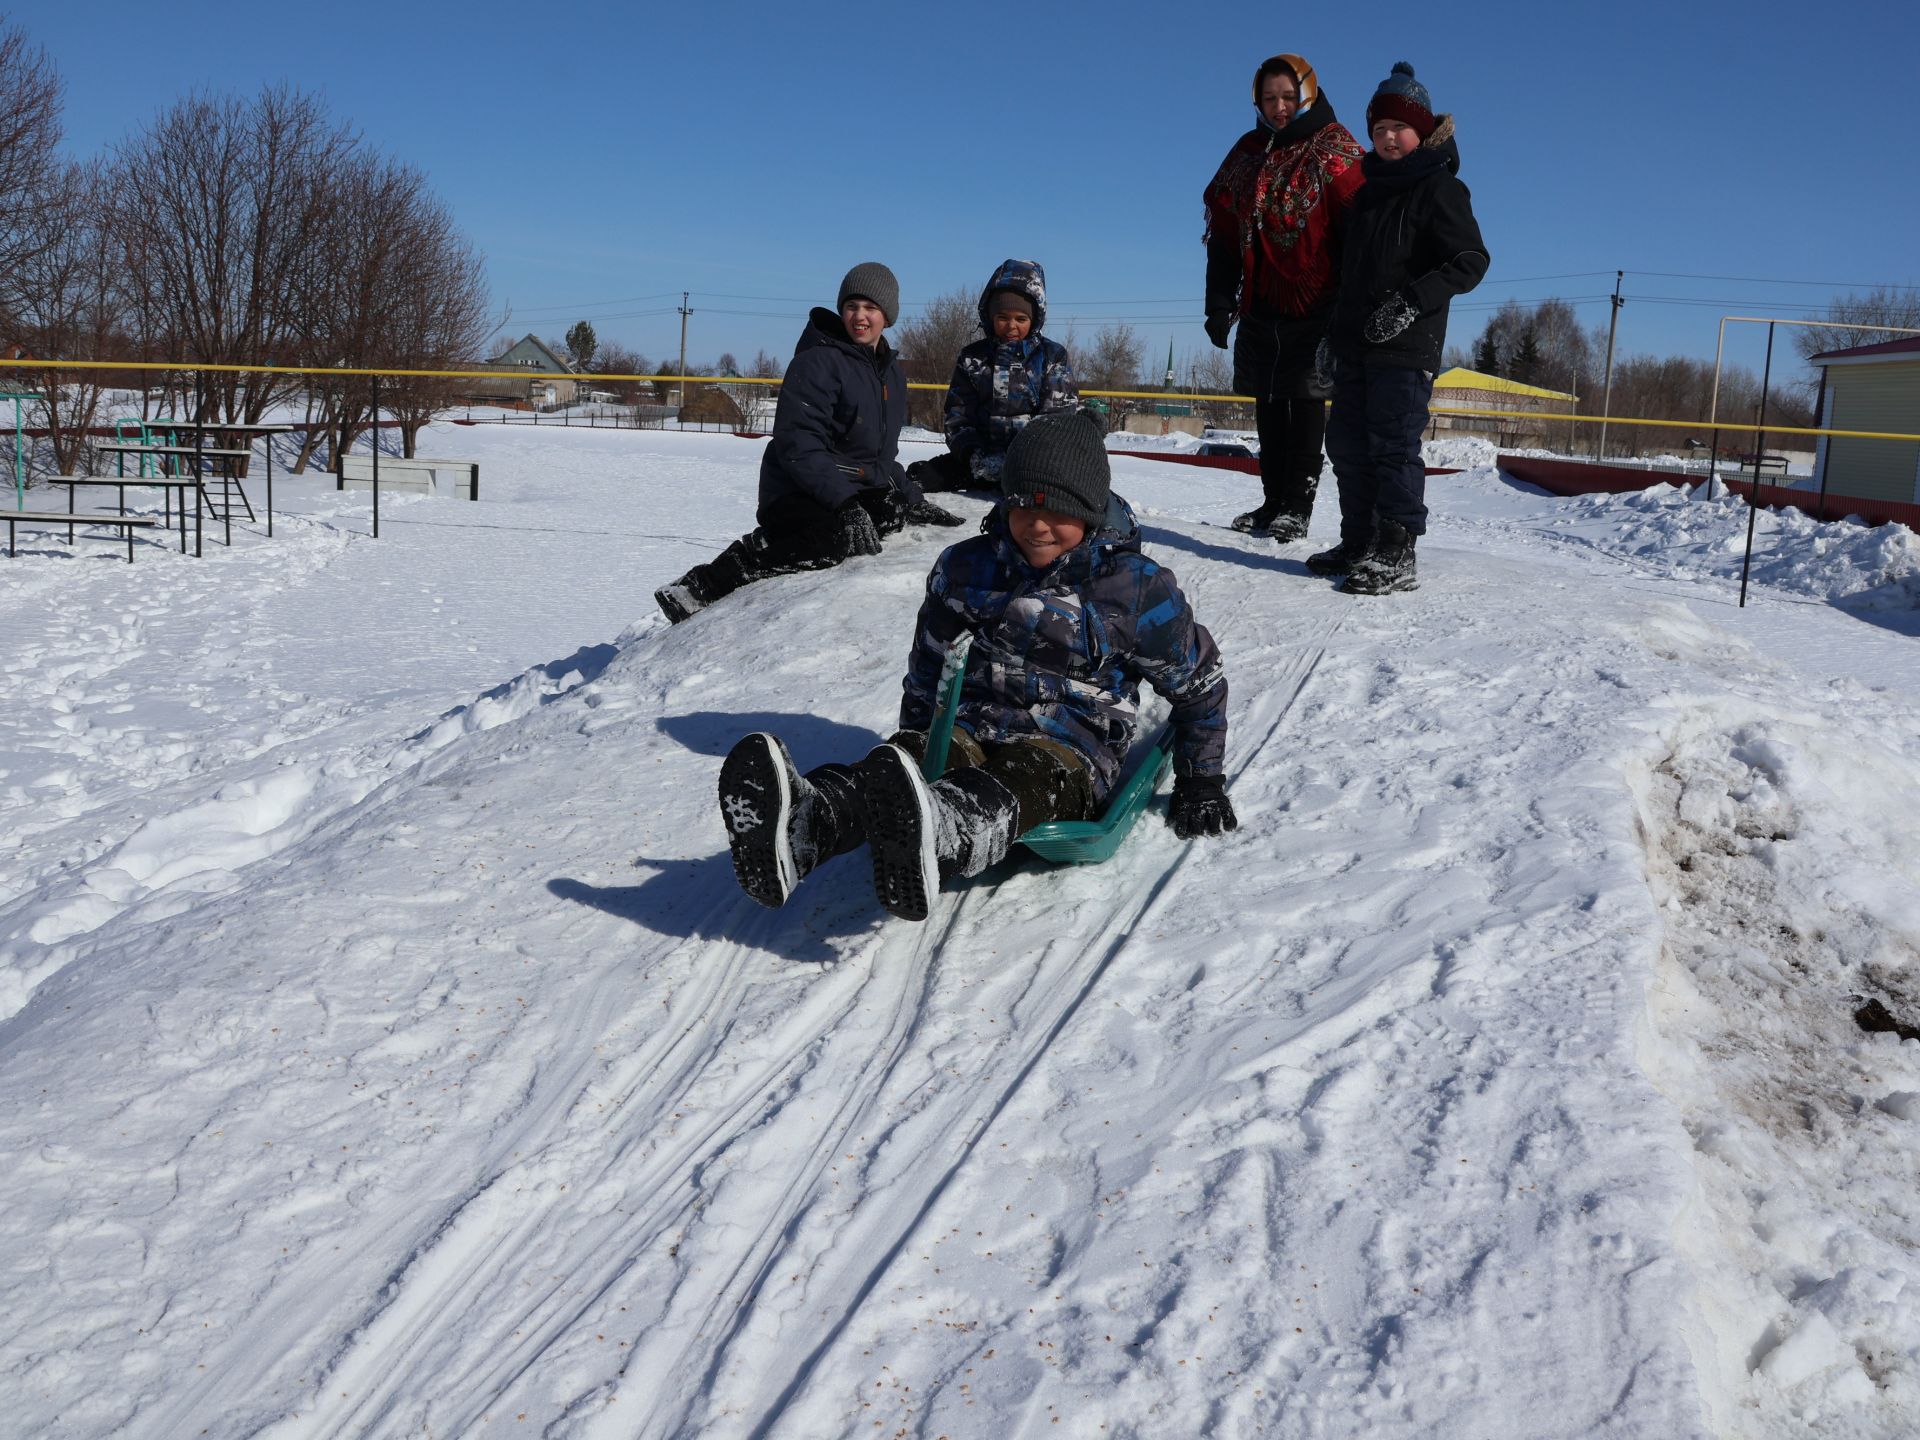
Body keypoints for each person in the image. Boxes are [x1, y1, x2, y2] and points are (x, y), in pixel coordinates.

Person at [716, 410, 1235, 923]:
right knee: (907, 760)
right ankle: (811, 821)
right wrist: (915, 743)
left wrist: (1201, 780)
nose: (1036, 525)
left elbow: (1199, 686)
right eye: (1022, 507)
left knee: (1024, 774)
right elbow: (929, 664)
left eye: (1057, 510)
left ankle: (942, 833)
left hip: (1072, 743)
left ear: (1091, 512)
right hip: (969, 721)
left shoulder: (1136, 589)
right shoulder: (966, 567)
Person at [655, 262, 962, 623]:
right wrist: (846, 504)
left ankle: (853, 513)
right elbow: (798, 444)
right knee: (831, 539)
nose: (860, 317)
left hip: (847, 486)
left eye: (870, 309)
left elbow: (882, 457)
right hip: (795, 489)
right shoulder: (818, 361)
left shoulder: (890, 374)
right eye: (851, 307)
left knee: (890, 513)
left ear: (888, 316)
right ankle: (702, 585)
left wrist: (912, 499)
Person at [1314, 62, 1489, 595]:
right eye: (1380, 129)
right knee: (1345, 443)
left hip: (1407, 344)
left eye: (1400, 128)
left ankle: (1396, 549)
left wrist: (1412, 303)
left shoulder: (1441, 189)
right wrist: (1332, 333)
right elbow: (1350, 275)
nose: (1389, 138)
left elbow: (1470, 259)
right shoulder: (1368, 194)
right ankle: (1359, 539)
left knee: (1391, 444)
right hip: (1356, 344)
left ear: (1423, 131)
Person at [1203, 52, 1365, 543]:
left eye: (1288, 97)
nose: (1278, 107)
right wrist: (1217, 301)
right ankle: (1273, 499)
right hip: (1260, 301)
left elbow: (1362, 223)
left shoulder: (1332, 146)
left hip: (1319, 302)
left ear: (1308, 94)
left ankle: (1298, 504)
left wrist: (1357, 300)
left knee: (1305, 398)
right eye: (1269, 98)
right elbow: (1226, 233)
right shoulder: (1247, 152)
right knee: (1268, 401)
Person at [909, 258, 1080, 493]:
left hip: (1032, 463)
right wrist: (973, 455)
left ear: (1034, 320)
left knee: (1065, 489)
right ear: (990, 317)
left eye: (1021, 319)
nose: (1011, 326)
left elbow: (1057, 418)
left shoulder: (1052, 356)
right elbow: (958, 414)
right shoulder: (972, 357)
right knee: (920, 475)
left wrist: (1023, 458)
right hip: (979, 460)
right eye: (1003, 318)